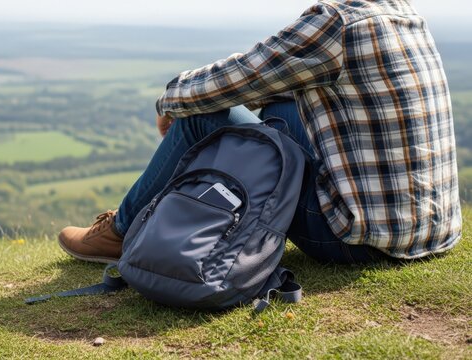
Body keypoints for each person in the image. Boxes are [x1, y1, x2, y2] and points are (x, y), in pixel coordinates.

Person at [58, 0, 461, 264]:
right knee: (281, 108)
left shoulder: (336, 21)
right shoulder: (402, 14)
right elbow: (279, 75)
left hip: (356, 241)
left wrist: (170, 101)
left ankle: (120, 232)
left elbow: (239, 75)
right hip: (430, 233)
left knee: (203, 114)